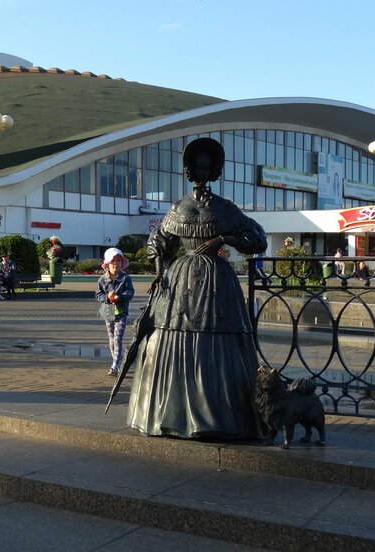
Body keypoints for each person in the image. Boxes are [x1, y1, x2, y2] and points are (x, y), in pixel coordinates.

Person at [126, 137, 266, 440]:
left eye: (206, 167)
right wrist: (159, 271)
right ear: (190, 170)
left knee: (218, 339)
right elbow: (159, 243)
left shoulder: (225, 208)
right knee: (172, 335)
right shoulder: (178, 207)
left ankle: (220, 416)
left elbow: (257, 238)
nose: (201, 172)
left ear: (213, 170)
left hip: (218, 282)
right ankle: (171, 414)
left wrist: (224, 239)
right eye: (197, 167)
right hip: (181, 281)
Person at [96, 248, 135, 377]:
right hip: (108, 313)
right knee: (112, 339)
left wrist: (120, 297)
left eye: (118, 261)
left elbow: (130, 292)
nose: (116, 264)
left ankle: (115, 365)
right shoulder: (102, 280)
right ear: (107, 264)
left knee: (118, 339)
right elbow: (98, 294)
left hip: (121, 313)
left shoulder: (125, 278)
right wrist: (107, 298)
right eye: (113, 261)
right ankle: (117, 360)